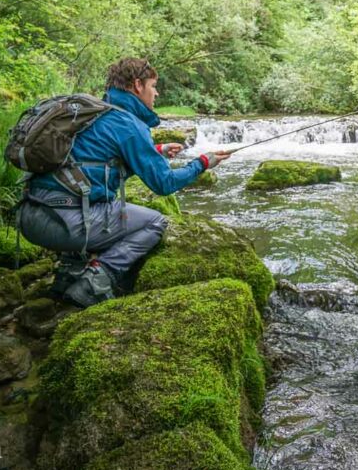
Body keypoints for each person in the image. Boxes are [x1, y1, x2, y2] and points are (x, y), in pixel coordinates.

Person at [17, 57, 230, 307]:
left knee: (93, 202)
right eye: (153, 86)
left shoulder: (95, 114)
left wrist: (157, 150)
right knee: (154, 222)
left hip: (30, 216)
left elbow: (93, 161)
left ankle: (67, 277)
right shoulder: (128, 123)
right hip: (65, 225)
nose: (157, 93)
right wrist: (202, 163)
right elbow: (165, 183)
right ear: (137, 85)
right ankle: (95, 281)